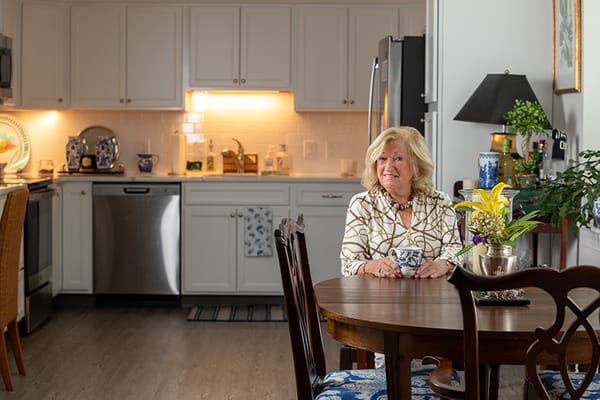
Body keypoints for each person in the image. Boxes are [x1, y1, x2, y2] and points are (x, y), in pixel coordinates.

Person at [341, 126, 463, 279]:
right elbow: (348, 264)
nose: (388, 167)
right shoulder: (362, 204)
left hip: (430, 298)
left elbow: (456, 250)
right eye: (382, 158)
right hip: (378, 299)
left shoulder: (439, 202)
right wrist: (372, 266)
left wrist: (443, 264)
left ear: (417, 165)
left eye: (398, 158)